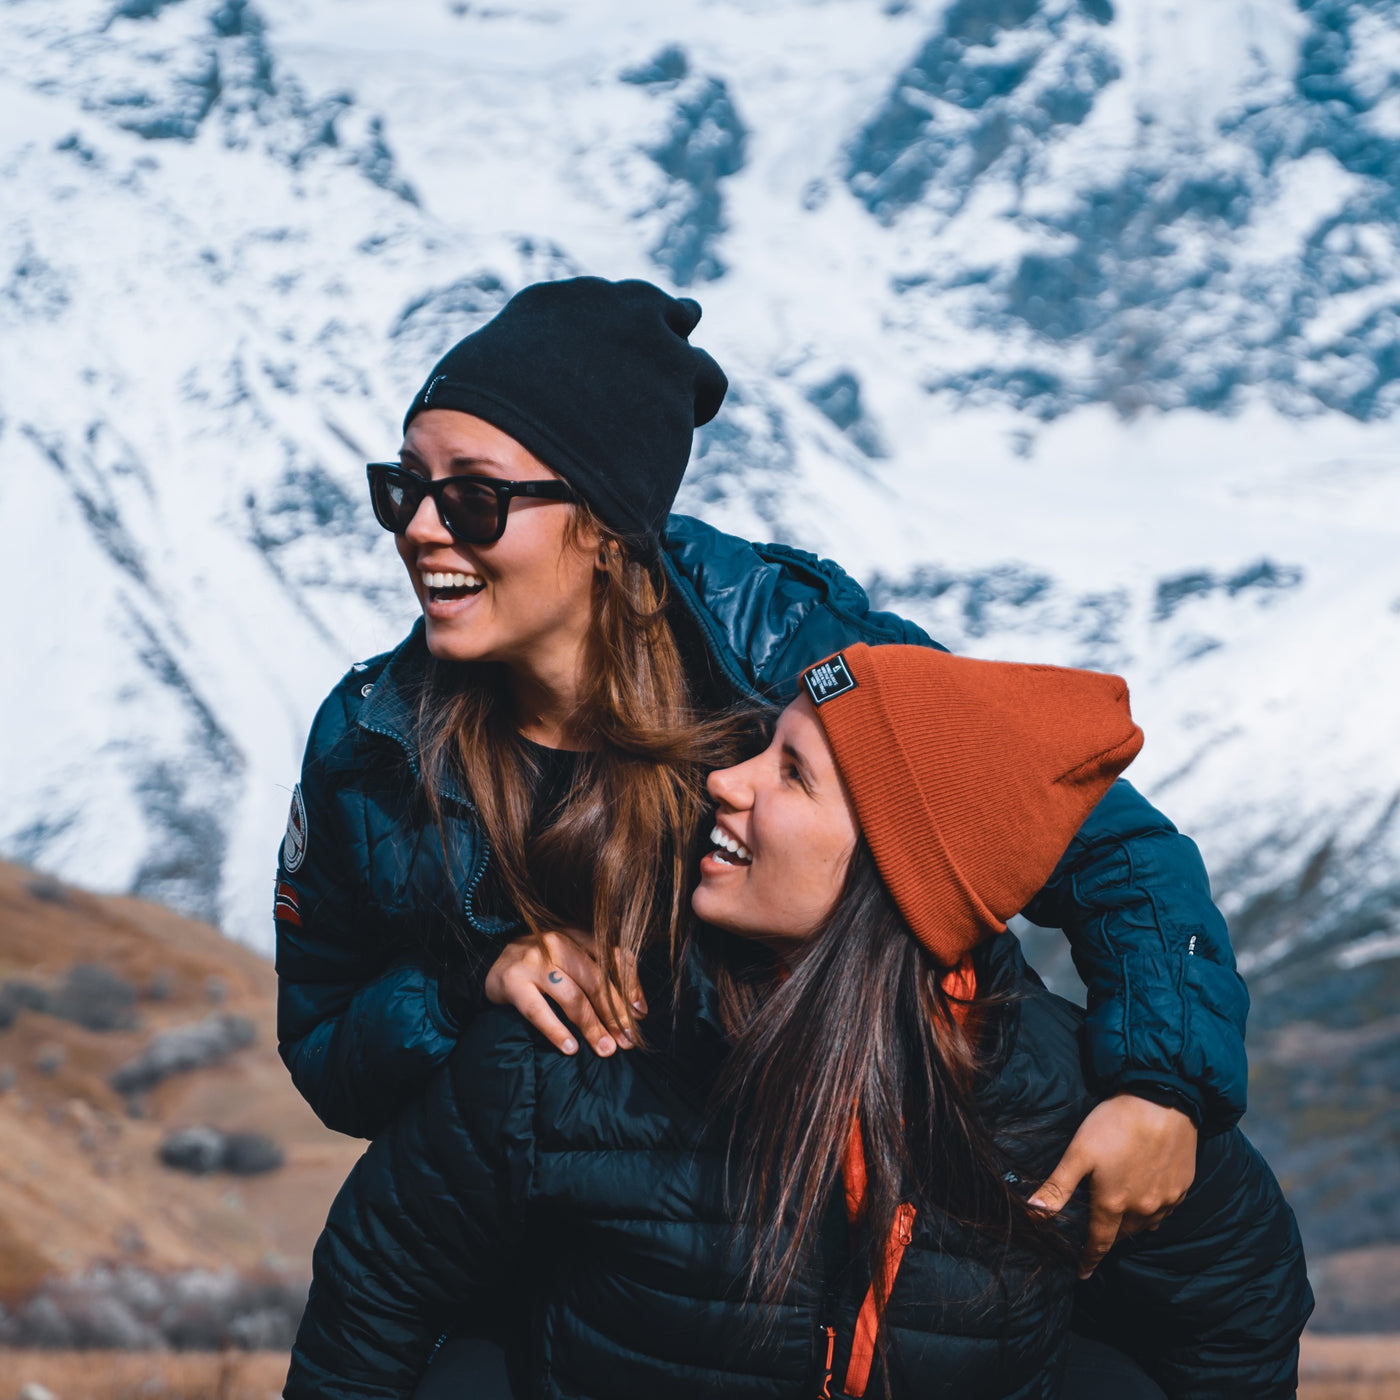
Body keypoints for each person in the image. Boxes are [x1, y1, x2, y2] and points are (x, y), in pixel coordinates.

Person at [275, 276, 1246, 1284]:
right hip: (541, 1266)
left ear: (604, 523)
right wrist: (460, 984)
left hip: (830, 1250)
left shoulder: (785, 645)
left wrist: (1161, 1086)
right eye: (404, 486)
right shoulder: (365, 748)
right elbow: (326, 1052)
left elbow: (1105, 842)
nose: (421, 528)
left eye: (472, 496)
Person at [284, 644, 1312, 1400]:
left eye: (790, 772)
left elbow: (1240, 1305)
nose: (720, 782)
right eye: (759, 750)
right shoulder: (580, 1041)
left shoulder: (1057, 1100)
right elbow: (374, 1291)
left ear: (895, 877)